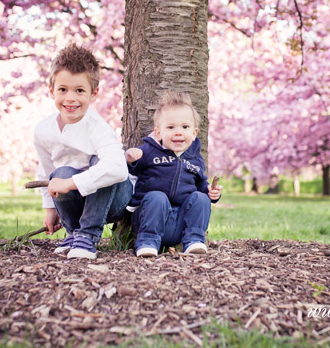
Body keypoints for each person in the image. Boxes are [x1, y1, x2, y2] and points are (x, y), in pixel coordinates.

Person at [33, 44, 132, 260]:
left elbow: (118, 170)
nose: (70, 98)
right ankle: (74, 232)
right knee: (60, 173)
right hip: (77, 202)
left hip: (114, 201)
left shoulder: (97, 127)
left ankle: (87, 235)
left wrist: (69, 184)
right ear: (51, 91)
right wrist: (50, 209)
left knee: (100, 163)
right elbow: (46, 170)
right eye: (63, 90)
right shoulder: (43, 130)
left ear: (93, 93)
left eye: (79, 91)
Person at [125, 90, 222, 257]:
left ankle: (193, 240)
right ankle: (147, 242)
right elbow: (134, 167)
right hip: (150, 216)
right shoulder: (150, 151)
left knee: (201, 198)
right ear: (158, 132)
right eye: (170, 127)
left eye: (185, 127)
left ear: (194, 133)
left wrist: (211, 192)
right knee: (157, 196)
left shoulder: (194, 159)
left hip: (181, 221)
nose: (178, 132)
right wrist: (132, 158)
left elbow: (200, 185)